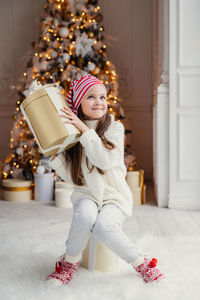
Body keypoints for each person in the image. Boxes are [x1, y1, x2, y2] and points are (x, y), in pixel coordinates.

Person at [46, 72, 167, 285]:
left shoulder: (114, 128)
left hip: (114, 196)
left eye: (102, 97)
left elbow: (105, 161)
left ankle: (142, 263)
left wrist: (84, 131)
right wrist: (56, 159)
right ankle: (68, 263)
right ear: (79, 102)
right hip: (87, 193)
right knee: (84, 217)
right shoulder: (72, 133)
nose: (99, 102)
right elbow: (74, 177)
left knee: (104, 227)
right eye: (91, 97)